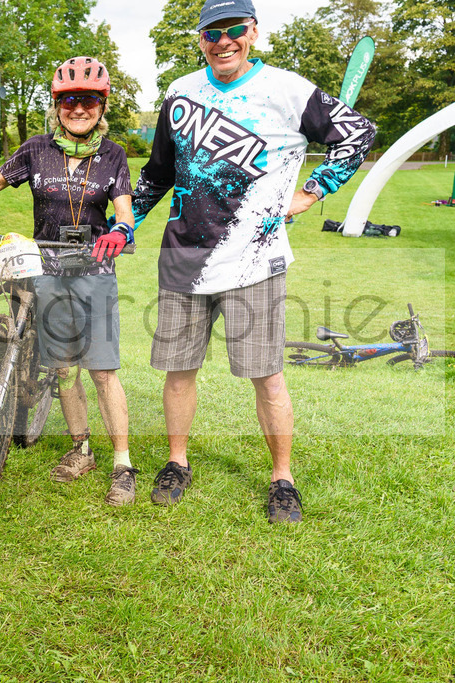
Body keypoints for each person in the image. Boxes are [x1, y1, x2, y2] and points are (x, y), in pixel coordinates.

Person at [132, 0, 375, 523]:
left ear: (253, 33)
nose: (223, 42)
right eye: (211, 33)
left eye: (234, 30)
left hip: (255, 263)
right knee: (179, 372)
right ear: (200, 40)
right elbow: (158, 171)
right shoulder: (180, 92)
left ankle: (281, 477)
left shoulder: (288, 89)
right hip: (182, 258)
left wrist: (311, 193)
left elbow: (357, 134)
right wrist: (126, 221)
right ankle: (177, 462)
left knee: (267, 376)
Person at [0, 56, 137, 507]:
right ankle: (81, 447)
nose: (77, 109)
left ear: (101, 106)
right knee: (64, 368)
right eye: (68, 101)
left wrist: (122, 230)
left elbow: (124, 209)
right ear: (56, 105)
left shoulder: (113, 154)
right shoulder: (35, 149)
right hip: (48, 271)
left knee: (102, 370)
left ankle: (123, 464)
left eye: (87, 100)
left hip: (95, 272)